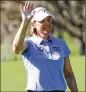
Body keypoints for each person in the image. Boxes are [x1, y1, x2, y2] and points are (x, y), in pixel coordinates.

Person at [12, 1, 78, 92]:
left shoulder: (61, 43)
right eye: (42, 21)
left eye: (49, 19)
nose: (46, 23)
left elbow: (68, 74)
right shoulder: (29, 43)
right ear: (34, 24)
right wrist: (25, 22)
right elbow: (16, 48)